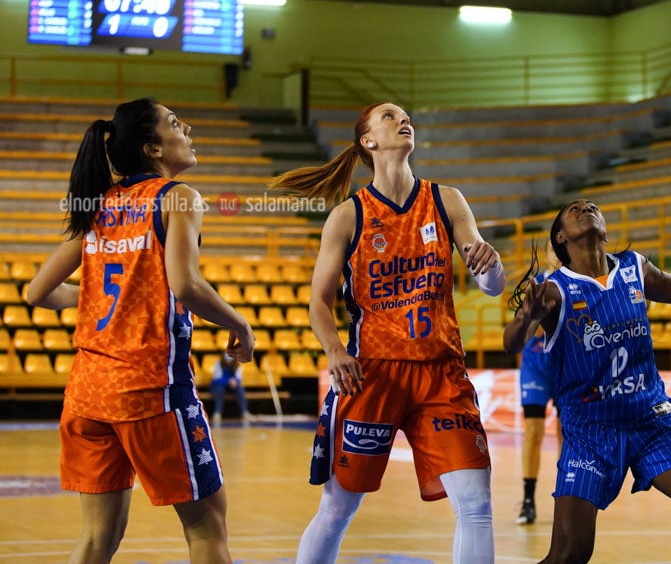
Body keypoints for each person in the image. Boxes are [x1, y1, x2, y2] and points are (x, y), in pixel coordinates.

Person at [269, 102, 505, 564]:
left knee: (476, 505)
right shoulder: (348, 216)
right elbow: (318, 301)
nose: (403, 120)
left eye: (405, 115)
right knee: (338, 508)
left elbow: (491, 286)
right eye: (389, 115)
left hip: (441, 373)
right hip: (371, 374)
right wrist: (335, 351)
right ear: (368, 141)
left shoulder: (446, 199)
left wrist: (492, 266)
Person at [25, 98, 256, 564]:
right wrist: (240, 324)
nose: (186, 126)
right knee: (207, 528)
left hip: (88, 396)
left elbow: (37, 293)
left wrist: (101, 297)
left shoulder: (99, 204)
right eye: (174, 123)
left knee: (96, 539)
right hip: (152, 390)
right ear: (153, 149)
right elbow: (186, 286)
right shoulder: (178, 196)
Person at [504, 199, 671, 564]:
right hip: (589, 431)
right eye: (574, 209)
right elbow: (512, 345)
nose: (586, 207)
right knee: (570, 553)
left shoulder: (634, 267)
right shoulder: (553, 289)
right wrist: (525, 320)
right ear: (561, 238)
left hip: (653, 420)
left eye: (592, 205)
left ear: (605, 230)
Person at [515, 239, 563, 525]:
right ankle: (529, 500)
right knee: (533, 432)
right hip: (536, 366)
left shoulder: (577, 283)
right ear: (546, 256)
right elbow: (523, 332)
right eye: (552, 251)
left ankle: (564, 497)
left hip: (564, 365)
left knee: (565, 434)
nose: (556, 257)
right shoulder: (537, 285)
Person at [210, 353, 250, 425]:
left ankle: (245, 412)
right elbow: (216, 378)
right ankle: (217, 413)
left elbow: (238, 377)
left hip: (232, 386)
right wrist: (228, 381)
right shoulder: (218, 364)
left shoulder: (237, 365)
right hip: (220, 385)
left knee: (240, 389)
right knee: (219, 390)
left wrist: (235, 381)